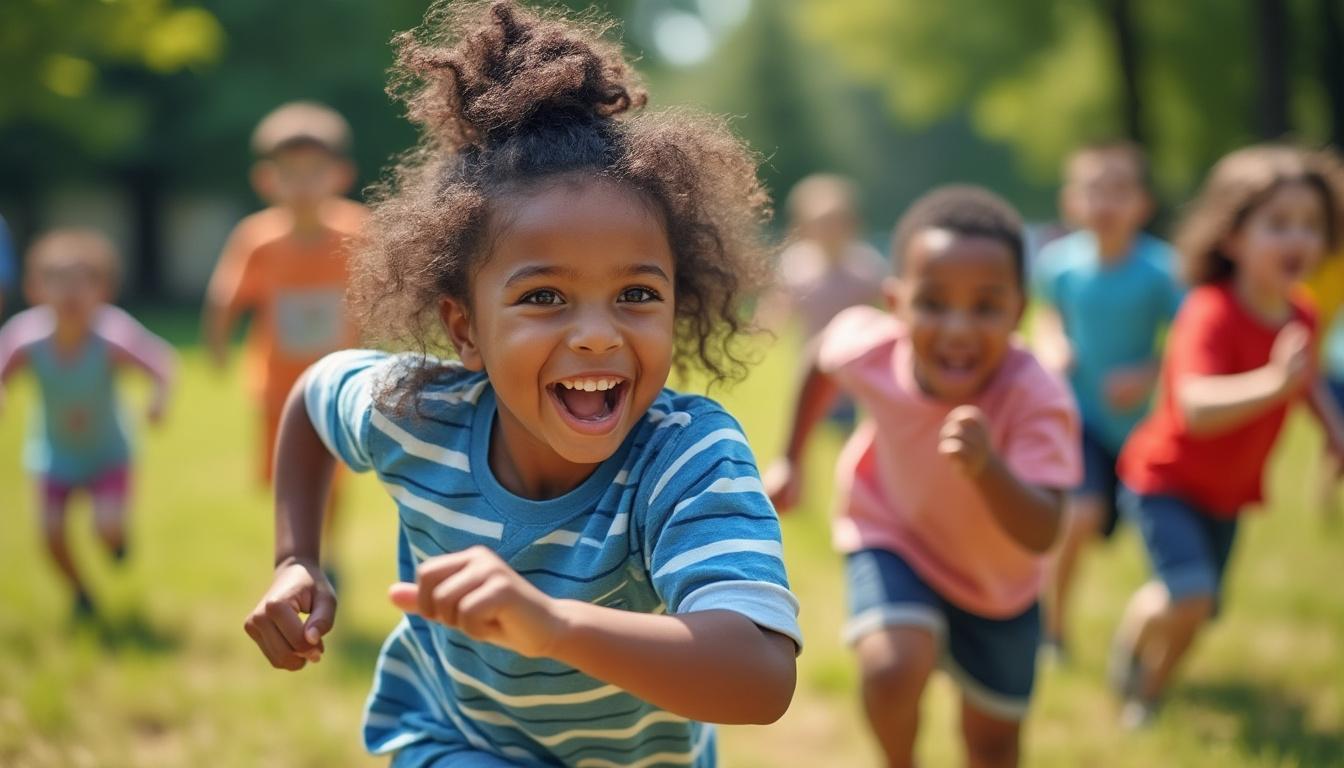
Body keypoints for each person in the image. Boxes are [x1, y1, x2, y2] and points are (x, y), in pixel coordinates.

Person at [242, 3, 801, 766]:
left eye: (637, 295)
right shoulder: (417, 414)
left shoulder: (688, 459)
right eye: (544, 297)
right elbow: (313, 398)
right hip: (455, 739)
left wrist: (558, 628)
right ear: (465, 329)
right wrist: (295, 558)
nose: (599, 333)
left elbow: (761, 678)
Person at [765, 186, 1081, 768]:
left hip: (999, 583)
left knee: (993, 745)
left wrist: (988, 470)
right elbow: (820, 359)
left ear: (1019, 311)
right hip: (892, 532)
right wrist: (791, 457)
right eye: (933, 303)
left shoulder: (1037, 396)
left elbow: (1044, 531)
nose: (958, 328)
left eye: (985, 307)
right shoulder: (873, 348)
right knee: (890, 669)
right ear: (896, 302)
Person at [1110, 145, 1344, 729]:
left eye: (1312, 226)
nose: (1299, 239)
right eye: (1279, 224)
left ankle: (1154, 687)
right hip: (1165, 480)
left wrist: (1336, 435)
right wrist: (1272, 382)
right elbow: (1196, 408)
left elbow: (1307, 380)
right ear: (1233, 237)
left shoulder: (1303, 315)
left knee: (1202, 607)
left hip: (1228, 490)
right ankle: (1137, 679)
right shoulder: (1209, 311)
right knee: (1188, 593)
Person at [1031, 141, 1184, 660]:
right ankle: (1053, 627)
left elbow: (1186, 339)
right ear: (1071, 201)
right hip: (1083, 419)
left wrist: (1149, 372)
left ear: (1142, 204)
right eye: (1093, 190)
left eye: (1119, 190)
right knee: (1078, 517)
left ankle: (1152, 629)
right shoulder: (1060, 265)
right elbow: (1049, 316)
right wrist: (1053, 345)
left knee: (1155, 534)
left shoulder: (1162, 269)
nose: (1105, 202)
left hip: (1144, 427)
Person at [0, 229, 175, 618]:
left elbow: (162, 363)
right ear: (34, 289)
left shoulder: (112, 335)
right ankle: (81, 592)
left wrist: (159, 399)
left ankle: (116, 540)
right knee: (50, 534)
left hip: (107, 453)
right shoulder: (25, 338)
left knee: (106, 525)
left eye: (83, 282)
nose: (70, 292)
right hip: (54, 456)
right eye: (57, 281)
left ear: (104, 289)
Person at [202, 100, 366, 486]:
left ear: (340, 175)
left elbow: (389, 293)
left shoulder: (359, 232)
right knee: (285, 474)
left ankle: (327, 546)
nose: (303, 184)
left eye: (314, 172)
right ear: (266, 179)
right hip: (277, 382)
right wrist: (218, 346)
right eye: (290, 173)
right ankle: (292, 547)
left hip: (336, 379)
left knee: (330, 472)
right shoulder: (257, 238)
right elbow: (225, 297)